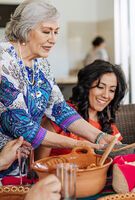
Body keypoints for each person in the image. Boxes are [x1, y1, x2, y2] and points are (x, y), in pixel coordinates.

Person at [0, 0, 115, 176]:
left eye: (56, 32)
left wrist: (98, 136)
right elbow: (22, 126)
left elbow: (59, 110)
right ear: (25, 29)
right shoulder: (3, 62)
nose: (53, 39)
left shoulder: (41, 64)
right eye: (46, 31)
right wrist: (78, 144)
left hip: (20, 164)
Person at [37, 59, 127, 158]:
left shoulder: (108, 125)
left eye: (112, 90)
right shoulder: (60, 113)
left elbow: (120, 160)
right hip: (58, 172)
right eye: (100, 87)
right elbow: (39, 163)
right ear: (87, 86)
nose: (106, 95)